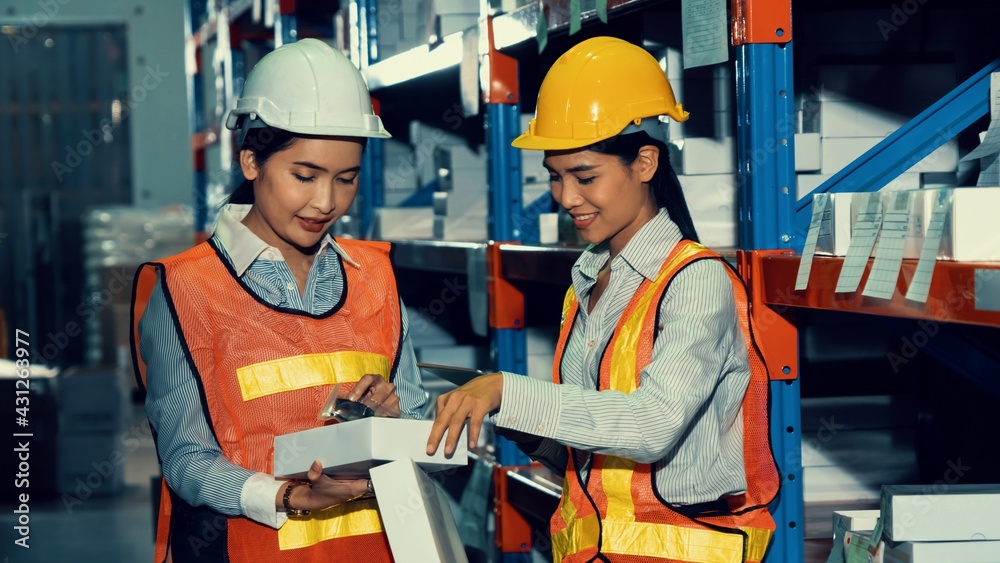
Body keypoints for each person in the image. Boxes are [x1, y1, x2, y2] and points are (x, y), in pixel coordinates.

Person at [427, 36, 779, 562]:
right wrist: (521, 424)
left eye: (584, 176)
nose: (567, 198)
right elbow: (592, 458)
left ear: (644, 163)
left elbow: (652, 426)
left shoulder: (695, 281)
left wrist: (511, 390)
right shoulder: (587, 281)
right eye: (554, 177)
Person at [131, 39, 426, 562]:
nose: (326, 202)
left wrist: (394, 420)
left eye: (347, 178)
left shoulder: (377, 275)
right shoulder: (185, 289)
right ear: (251, 161)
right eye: (304, 175)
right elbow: (186, 458)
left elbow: (420, 433)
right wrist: (289, 496)